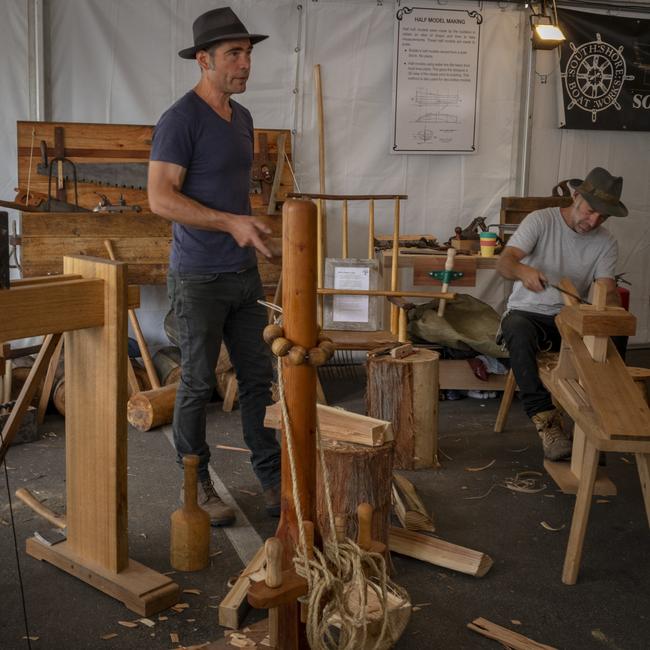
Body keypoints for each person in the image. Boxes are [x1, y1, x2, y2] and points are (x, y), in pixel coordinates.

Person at [148, 7, 281, 525]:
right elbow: (160, 198)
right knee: (198, 384)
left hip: (241, 272)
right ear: (204, 60)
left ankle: (270, 479)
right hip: (198, 275)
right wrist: (231, 224)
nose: (245, 64)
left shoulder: (243, 118)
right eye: (234, 54)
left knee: (255, 378)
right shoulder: (180, 120)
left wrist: (252, 224)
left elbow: (228, 191)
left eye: (248, 53)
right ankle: (195, 482)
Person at [496, 167, 628, 461]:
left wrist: (607, 303)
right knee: (517, 329)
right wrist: (522, 270)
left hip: (570, 317)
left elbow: (606, 288)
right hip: (529, 314)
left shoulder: (606, 242)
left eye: (602, 217)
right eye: (590, 211)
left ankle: (597, 426)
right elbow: (505, 263)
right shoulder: (541, 221)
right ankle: (548, 424)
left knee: (614, 330)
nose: (592, 221)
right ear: (576, 196)